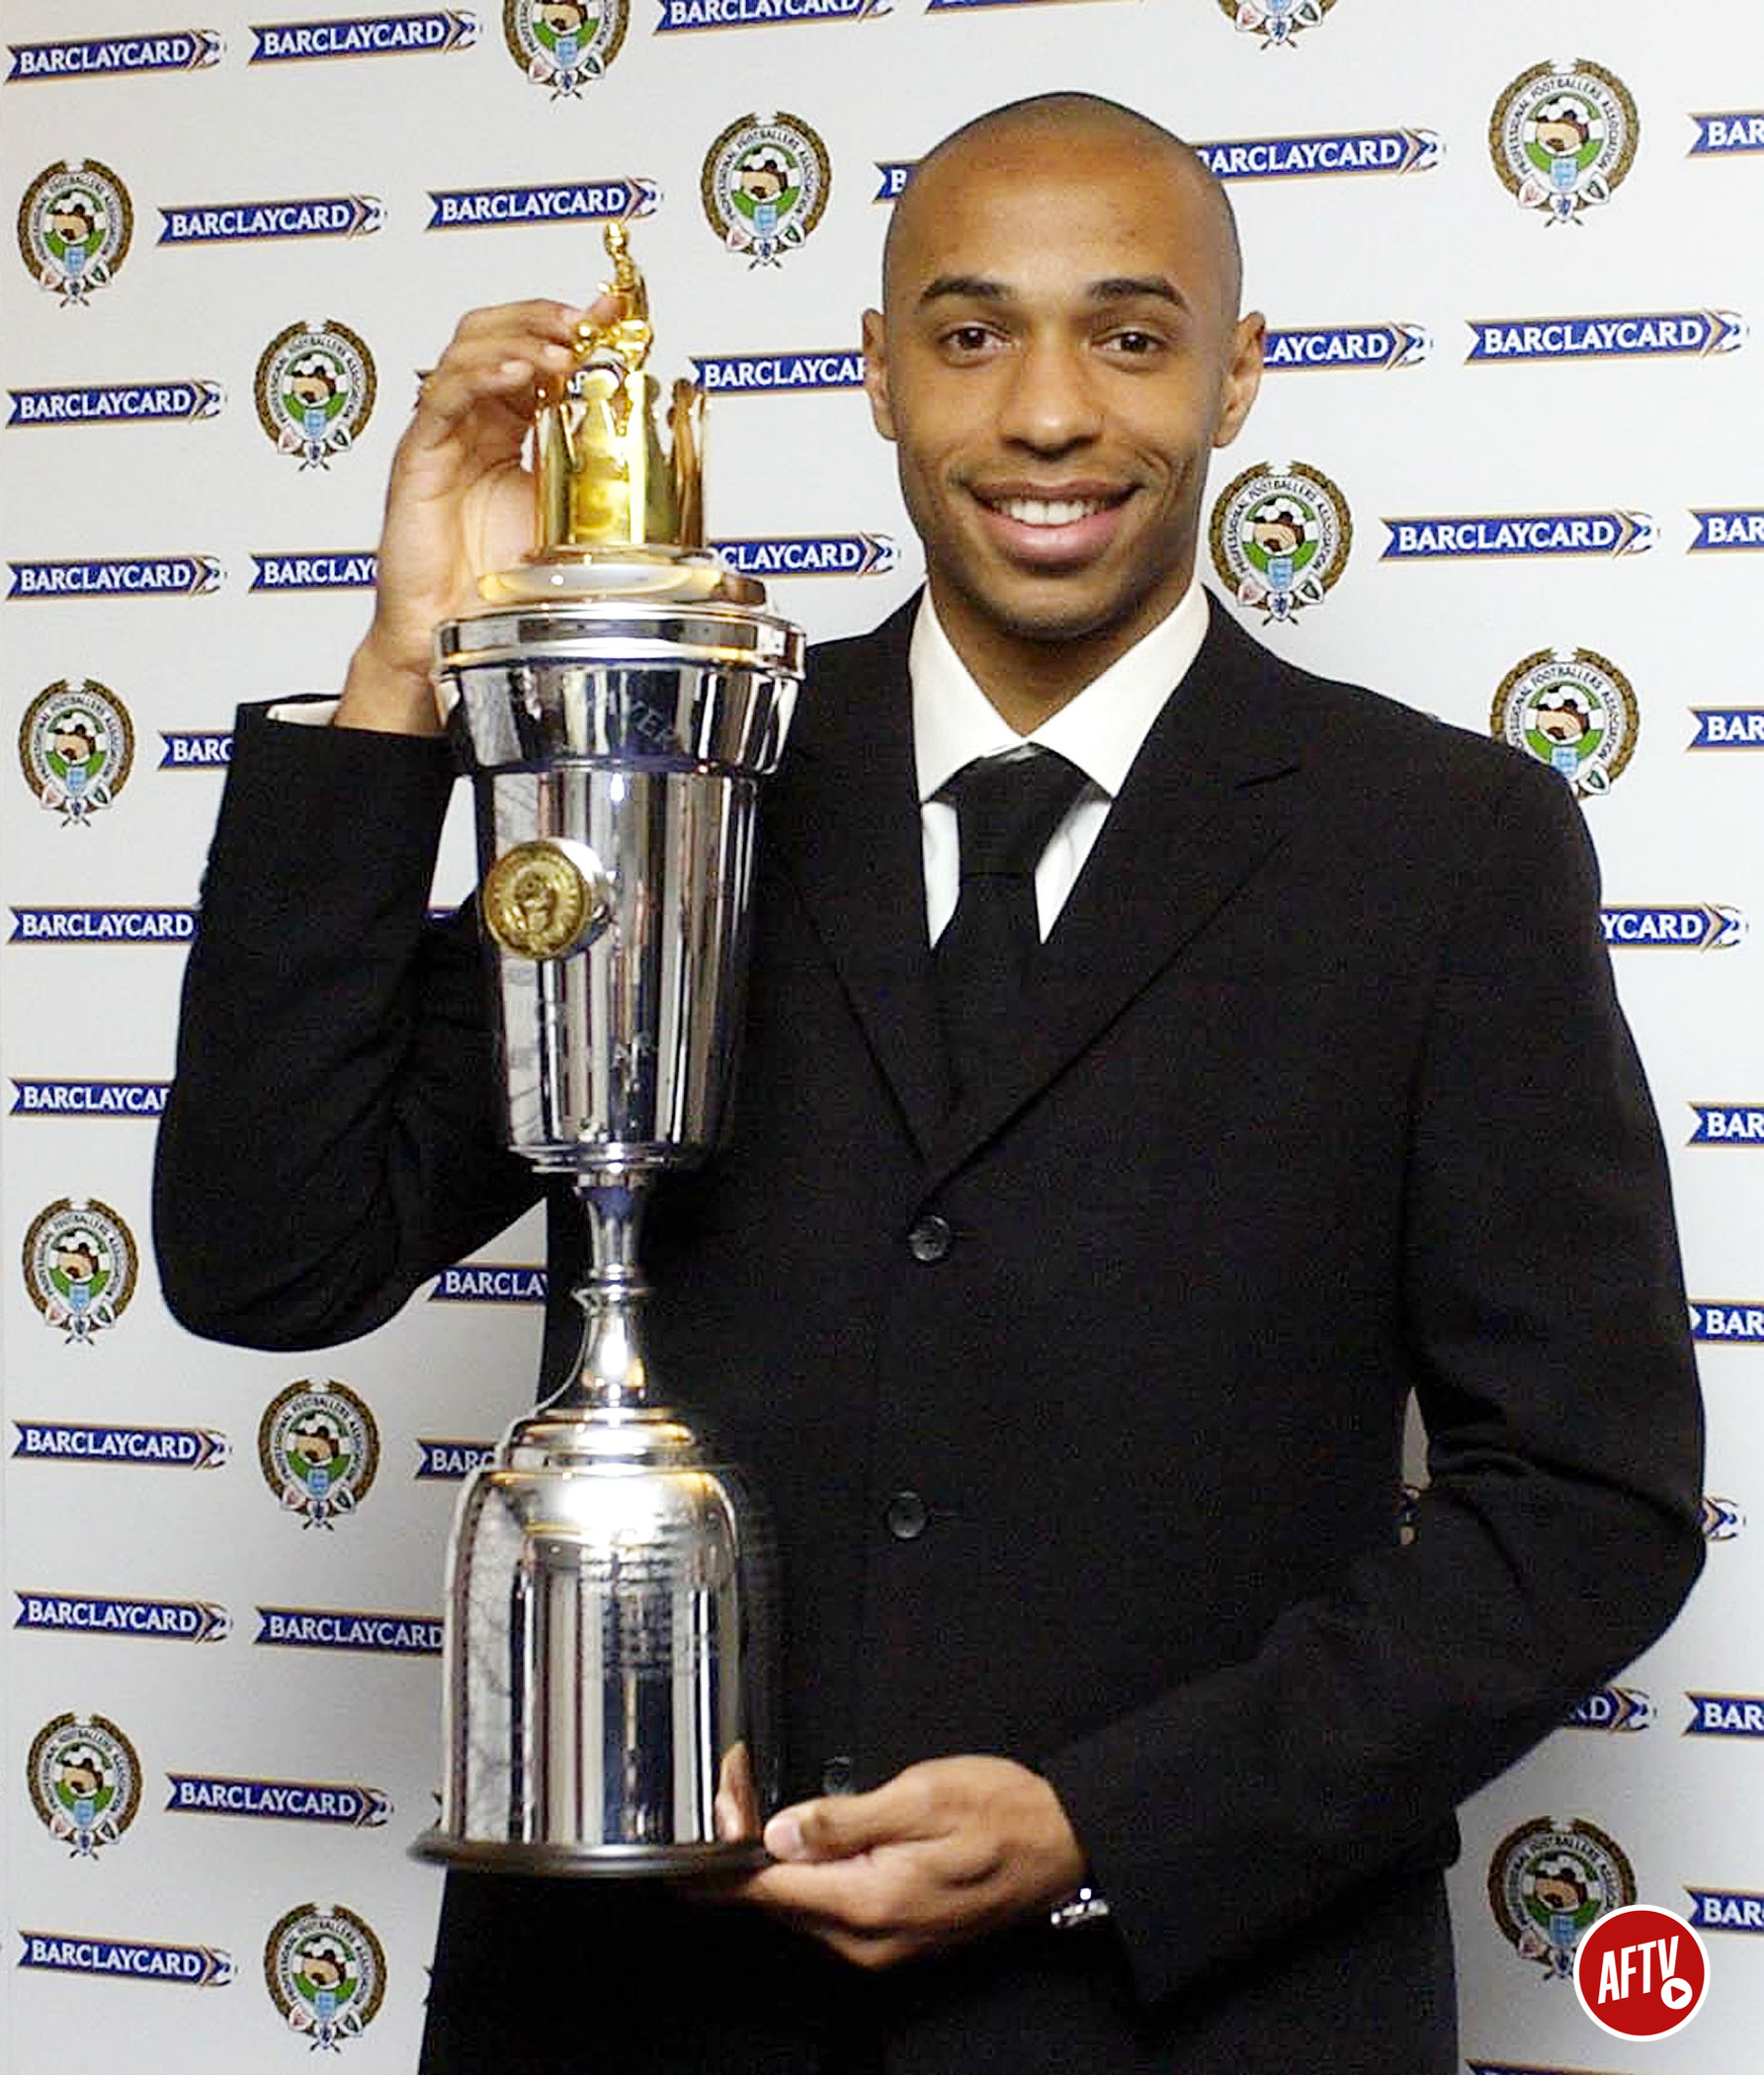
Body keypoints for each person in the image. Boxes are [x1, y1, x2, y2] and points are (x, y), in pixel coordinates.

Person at [155, 93, 1704, 2074]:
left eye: (1127, 335)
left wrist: (1102, 1828)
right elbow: (266, 1258)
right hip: (641, 2023)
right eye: (969, 335)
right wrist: (404, 675)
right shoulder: (676, 775)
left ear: (1233, 372)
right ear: (877, 376)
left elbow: (1585, 1502)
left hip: (1177, 2016)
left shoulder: (1442, 845)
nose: (1046, 413)